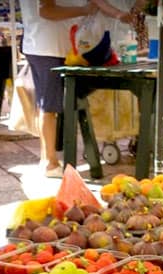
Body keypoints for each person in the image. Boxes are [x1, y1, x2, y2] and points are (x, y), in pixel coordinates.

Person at [18, 0, 134, 178]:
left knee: (65, 102)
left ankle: (49, 158)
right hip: (47, 47)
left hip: (63, 47)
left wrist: (118, 14)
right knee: (49, 106)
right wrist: (83, 10)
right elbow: (47, 11)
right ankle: (49, 161)